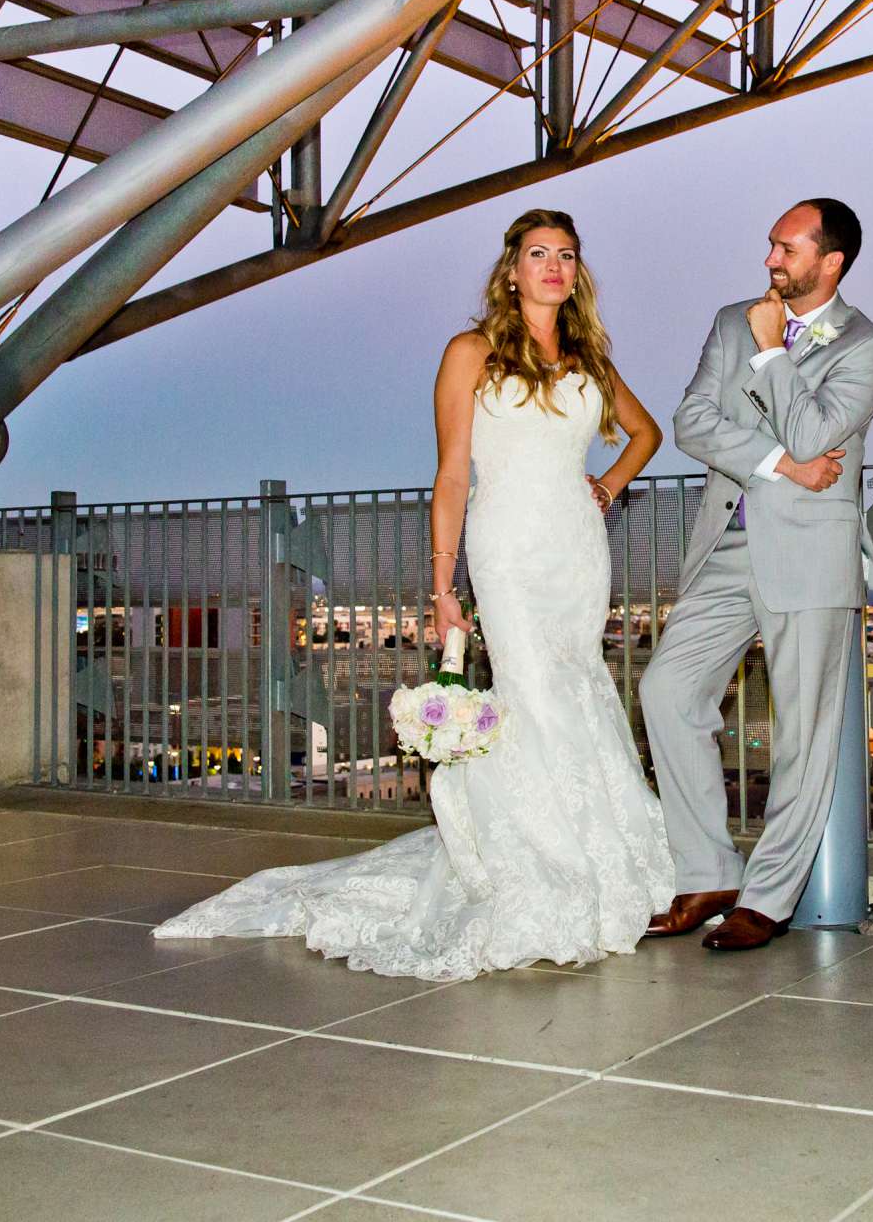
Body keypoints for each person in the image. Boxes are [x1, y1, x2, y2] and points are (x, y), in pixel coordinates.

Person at [153, 210, 674, 980]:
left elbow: (646, 431)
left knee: (579, 688)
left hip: (577, 551)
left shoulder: (590, 358)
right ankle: (541, 866)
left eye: (566, 254)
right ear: (511, 271)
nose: (554, 267)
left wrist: (605, 486)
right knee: (532, 694)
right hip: (507, 549)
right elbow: (454, 473)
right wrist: (442, 584)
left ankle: (604, 859)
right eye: (539, 254)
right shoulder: (471, 352)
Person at [639, 199, 873, 951]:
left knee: (802, 732)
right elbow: (691, 421)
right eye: (771, 245)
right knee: (666, 688)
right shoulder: (733, 318)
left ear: (830, 261)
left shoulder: (869, 346)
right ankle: (708, 870)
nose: (770, 261)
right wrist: (782, 461)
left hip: (813, 553)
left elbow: (820, 428)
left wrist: (769, 357)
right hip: (728, 542)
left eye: (786, 248)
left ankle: (770, 895)